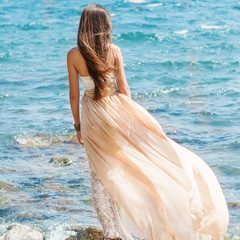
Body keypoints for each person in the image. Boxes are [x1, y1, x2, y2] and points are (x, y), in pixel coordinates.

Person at [67, 4, 229, 240]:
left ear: (83, 26)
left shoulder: (73, 54)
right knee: (118, 168)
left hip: (92, 114)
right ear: (105, 27)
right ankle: (131, 224)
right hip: (115, 113)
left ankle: (111, 233)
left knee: (98, 173)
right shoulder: (114, 51)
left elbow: (73, 95)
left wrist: (78, 126)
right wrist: (129, 120)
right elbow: (124, 89)